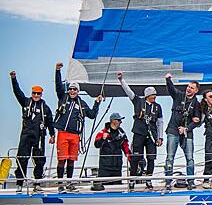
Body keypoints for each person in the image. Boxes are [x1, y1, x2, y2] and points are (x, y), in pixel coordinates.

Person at [55, 62, 102, 193]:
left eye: (74, 89)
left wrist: (97, 103)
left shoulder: (82, 103)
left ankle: (69, 183)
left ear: (78, 91)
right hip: (63, 133)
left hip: (75, 135)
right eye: (70, 89)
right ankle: (60, 184)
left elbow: (92, 115)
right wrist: (57, 71)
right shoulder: (63, 97)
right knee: (62, 160)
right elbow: (58, 87)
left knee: (71, 160)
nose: (72, 91)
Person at [10, 71, 55, 193]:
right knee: (22, 158)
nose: (36, 95)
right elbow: (17, 92)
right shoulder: (26, 102)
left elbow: (50, 122)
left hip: (39, 137)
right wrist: (14, 79)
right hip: (26, 136)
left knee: (39, 160)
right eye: (34, 93)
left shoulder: (45, 108)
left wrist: (52, 135)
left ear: (41, 94)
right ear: (32, 93)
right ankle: (19, 183)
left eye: (38, 93)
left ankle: (37, 183)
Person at [117, 72, 163, 191]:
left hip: (151, 136)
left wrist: (160, 137)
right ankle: (132, 179)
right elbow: (128, 91)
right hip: (139, 133)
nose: (155, 97)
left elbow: (160, 122)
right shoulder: (138, 101)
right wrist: (121, 80)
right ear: (147, 95)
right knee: (136, 157)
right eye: (153, 94)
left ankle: (148, 179)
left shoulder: (158, 107)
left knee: (151, 158)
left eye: (155, 95)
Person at [164, 73, 201, 190]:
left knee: (190, 158)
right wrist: (168, 79)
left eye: (192, 88)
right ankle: (168, 182)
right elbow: (171, 89)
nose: (189, 89)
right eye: (188, 86)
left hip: (187, 133)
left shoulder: (197, 104)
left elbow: (197, 121)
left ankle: (191, 182)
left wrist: (187, 128)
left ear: (196, 91)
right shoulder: (179, 95)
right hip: (173, 130)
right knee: (170, 157)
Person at [91, 112, 131, 191]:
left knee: (118, 190)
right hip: (105, 168)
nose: (121, 122)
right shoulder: (102, 132)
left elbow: (126, 147)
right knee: (103, 190)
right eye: (119, 120)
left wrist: (130, 159)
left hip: (117, 167)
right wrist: (103, 139)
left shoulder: (122, 133)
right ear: (113, 121)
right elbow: (96, 145)